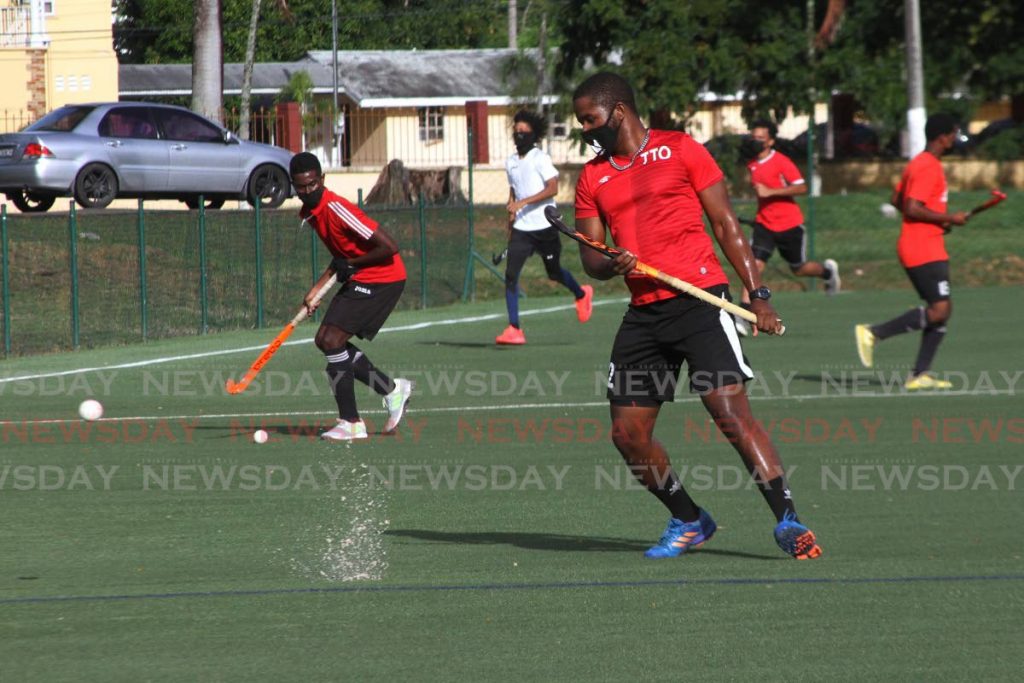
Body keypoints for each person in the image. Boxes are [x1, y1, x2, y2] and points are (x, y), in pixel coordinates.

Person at [572, 72, 821, 560]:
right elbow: (591, 259)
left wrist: (758, 293)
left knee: (730, 415)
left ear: (618, 110)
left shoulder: (682, 149)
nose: (584, 128)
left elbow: (726, 224)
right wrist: (611, 261)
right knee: (627, 434)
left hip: (702, 302)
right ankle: (688, 519)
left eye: (589, 118)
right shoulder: (591, 176)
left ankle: (788, 519)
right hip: (644, 314)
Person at [289, 152, 413, 441]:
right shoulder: (312, 211)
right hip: (363, 274)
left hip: (384, 277)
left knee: (332, 340)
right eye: (301, 187)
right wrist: (315, 290)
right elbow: (341, 254)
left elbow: (389, 246)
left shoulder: (335, 207)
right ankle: (393, 391)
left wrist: (354, 265)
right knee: (326, 340)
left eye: (312, 185)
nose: (307, 192)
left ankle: (351, 422)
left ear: (322, 179)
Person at [855, 113, 968, 389]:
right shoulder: (928, 166)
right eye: (953, 133)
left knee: (942, 308)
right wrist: (947, 218)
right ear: (943, 137)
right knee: (940, 309)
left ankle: (920, 374)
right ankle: (873, 333)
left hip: (926, 244)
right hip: (922, 248)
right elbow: (912, 206)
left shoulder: (919, 163)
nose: (955, 138)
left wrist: (939, 220)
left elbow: (897, 199)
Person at [496, 109, 593, 345]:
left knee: (553, 272)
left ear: (533, 134)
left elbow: (553, 188)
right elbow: (513, 195)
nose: (519, 135)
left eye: (523, 131)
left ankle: (581, 294)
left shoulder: (540, 158)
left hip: (546, 226)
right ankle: (514, 329)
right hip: (522, 229)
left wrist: (524, 202)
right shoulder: (510, 162)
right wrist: (511, 223)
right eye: (516, 131)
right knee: (510, 276)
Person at [734, 120, 840, 336]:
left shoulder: (781, 161)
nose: (756, 142)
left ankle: (828, 272)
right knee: (754, 265)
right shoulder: (752, 163)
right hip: (764, 224)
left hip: (789, 224)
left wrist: (771, 192)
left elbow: (802, 186)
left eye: (761, 139)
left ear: (771, 141)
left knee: (799, 269)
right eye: (753, 137)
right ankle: (743, 314)